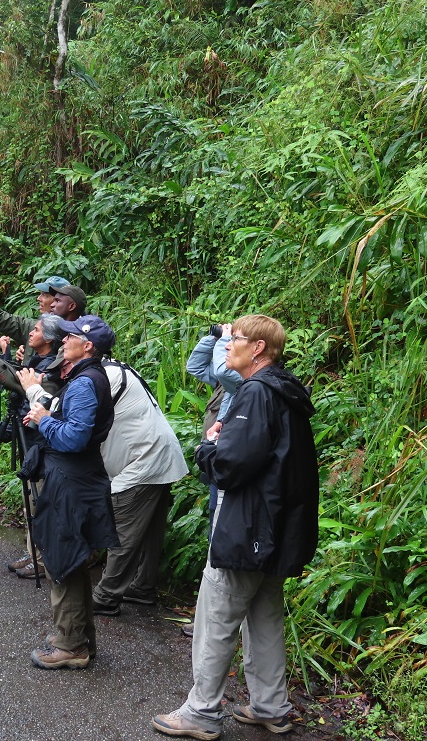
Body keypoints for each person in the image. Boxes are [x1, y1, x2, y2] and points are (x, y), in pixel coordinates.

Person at [152, 315, 319, 740]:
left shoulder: (256, 394)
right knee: (264, 619)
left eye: (236, 339)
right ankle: (270, 706)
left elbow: (231, 466)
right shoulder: (285, 392)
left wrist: (209, 445)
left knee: (217, 618)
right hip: (274, 531)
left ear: (258, 349)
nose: (227, 344)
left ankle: (201, 712)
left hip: (246, 529)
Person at [16, 314, 119, 670]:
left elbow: (74, 438)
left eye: (71, 336)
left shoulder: (85, 382)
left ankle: (71, 645)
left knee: (64, 559)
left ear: (87, 346)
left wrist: (44, 419)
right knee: (69, 558)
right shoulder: (83, 378)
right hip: (75, 478)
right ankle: (76, 636)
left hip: (74, 482)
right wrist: (47, 414)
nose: (63, 340)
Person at [90, 359, 188, 615]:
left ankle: (106, 596)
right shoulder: (112, 370)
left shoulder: (104, 377)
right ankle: (142, 587)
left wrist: (35, 392)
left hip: (144, 461)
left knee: (123, 528)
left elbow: (69, 416)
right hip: (157, 456)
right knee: (148, 530)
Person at [5, 313, 62, 580]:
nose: (30, 333)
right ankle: (32, 554)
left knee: (39, 501)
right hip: (32, 442)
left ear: (48, 338)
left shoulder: (49, 369)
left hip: (41, 444)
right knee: (31, 498)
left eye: (36, 330)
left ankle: (40, 560)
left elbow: (40, 406)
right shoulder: (36, 361)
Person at [0, 273, 70, 358]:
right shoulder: (34, 327)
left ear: (60, 300)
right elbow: (0, 318)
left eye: (45, 295)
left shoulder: (76, 335)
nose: (38, 299)